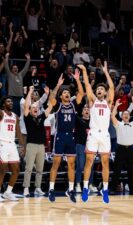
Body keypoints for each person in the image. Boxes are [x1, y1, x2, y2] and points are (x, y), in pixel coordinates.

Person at [78, 62, 114, 204]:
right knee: (89, 162)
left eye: (101, 89)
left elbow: (111, 87)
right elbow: (87, 85)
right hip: (93, 134)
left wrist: (106, 72)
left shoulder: (108, 102)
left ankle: (105, 189)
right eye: (98, 88)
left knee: (105, 163)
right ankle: (85, 187)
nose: (99, 90)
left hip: (105, 135)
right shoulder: (92, 101)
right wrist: (84, 71)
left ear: (104, 93)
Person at [48, 69, 84, 203]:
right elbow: (51, 98)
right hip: (60, 136)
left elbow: (81, 93)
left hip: (71, 137)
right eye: (64, 92)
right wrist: (58, 85)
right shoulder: (57, 105)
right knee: (56, 163)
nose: (67, 94)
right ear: (61, 96)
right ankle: (51, 189)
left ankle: (70, 190)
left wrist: (77, 80)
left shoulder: (74, 105)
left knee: (71, 165)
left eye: (68, 92)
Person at [0, 83, 25, 202]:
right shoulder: (0, 114)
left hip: (12, 144)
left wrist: (22, 145)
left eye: (12, 102)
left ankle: (8, 192)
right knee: (3, 170)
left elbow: (18, 132)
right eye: (8, 101)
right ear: (4, 104)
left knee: (16, 170)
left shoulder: (15, 116)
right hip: (2, 143)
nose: (11, 103)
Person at [23, 86, 52, 197]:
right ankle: (26, 188)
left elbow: (49, 108)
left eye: (37, 107)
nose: (35, 108)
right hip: (31, 145)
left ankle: (38, 188)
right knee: (29, 168)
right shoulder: (27, 117)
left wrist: (48, 94)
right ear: (30, 110)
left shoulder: (41, 117)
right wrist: (30, 91)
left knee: (40, 169)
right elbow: (26, 105)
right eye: (33, 107)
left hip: (41, 146)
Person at [110, 97, 133, 195]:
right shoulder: (118, 124)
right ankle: (112, 189)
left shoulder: (132, 124)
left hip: (130, 150)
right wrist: (116, 106)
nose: (126, 115)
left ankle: (132, 190)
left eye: (127, 114)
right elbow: (112, 116)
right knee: (117, 170)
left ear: (129, 116)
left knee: (131, 171)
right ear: (122, 116)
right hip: (120, 149)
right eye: (124, 114)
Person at [75, 104, 97, 193]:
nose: (86, 110)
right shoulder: (78, 120)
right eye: (85, 109)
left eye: (88, 109)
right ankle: (78, 184)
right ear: (82, 112)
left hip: (91, 146)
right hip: (81, 145)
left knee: (91, 166)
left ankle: (90, 184)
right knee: (80, 165)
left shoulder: (93, 122)